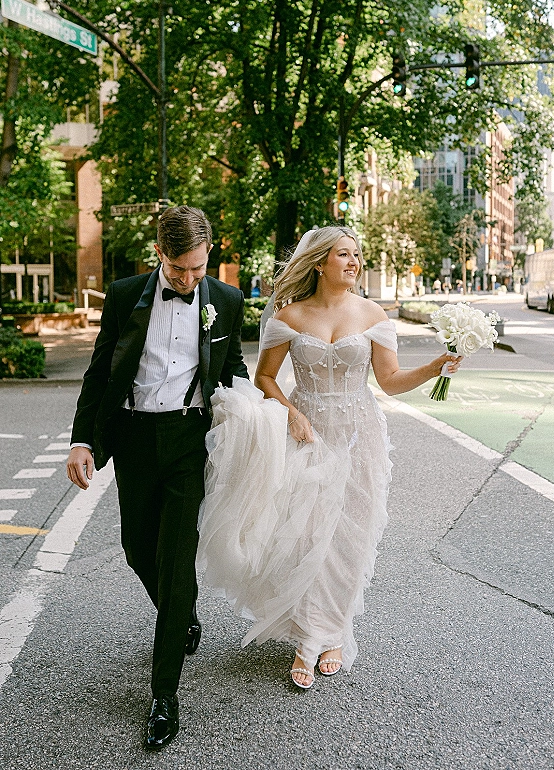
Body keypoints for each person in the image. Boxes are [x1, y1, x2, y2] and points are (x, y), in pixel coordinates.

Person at [197, 226, 461, 690]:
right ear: (320, 263)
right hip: (310, 433)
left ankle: (334, 629)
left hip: (361, 435)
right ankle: (307, 635)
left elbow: (391, 380)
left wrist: (436, 366)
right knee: (307, 532)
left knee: (350, 536)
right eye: (344, 254)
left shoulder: (374, 314)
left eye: (358, 254)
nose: (355, 262)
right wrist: (293, 414)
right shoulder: (291, 316)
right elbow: (265, 378)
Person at [66, 206, 248, 750]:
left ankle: (164, 694)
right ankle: (183, 613)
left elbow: (232, 365)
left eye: (197, 269)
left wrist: (260, 417)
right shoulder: (125, 297)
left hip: (190, 441)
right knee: (136, 549)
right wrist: (83, 441)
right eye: (178, 270)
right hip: (135, 440)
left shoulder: (227, 301)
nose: (189, 280)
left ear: (207, 254)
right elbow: (102, 372)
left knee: (176, 556)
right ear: (159, 255)